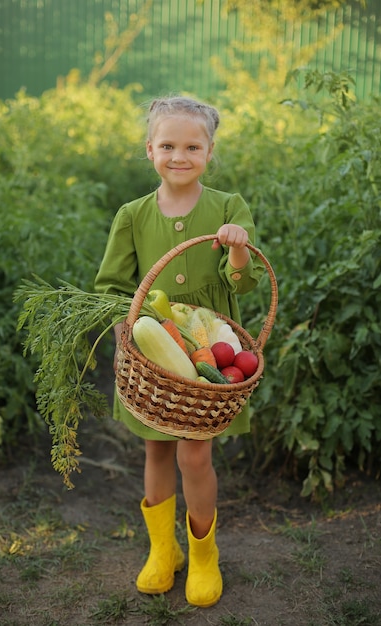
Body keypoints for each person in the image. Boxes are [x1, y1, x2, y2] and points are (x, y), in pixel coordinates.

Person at [94, 95, 264, 607]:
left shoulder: (229, 207)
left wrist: (237, 246)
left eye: (193, 145)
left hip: (209, 349)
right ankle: (161, 551)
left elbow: (246, 281)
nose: (179, 155)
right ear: (150, 150)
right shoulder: (132, 215)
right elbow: (110, 287)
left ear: (209, 152)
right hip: (155, 354)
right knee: (156, 449)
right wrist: (134, 328)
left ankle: (204, 553)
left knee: (195, 452)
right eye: (167, 145)